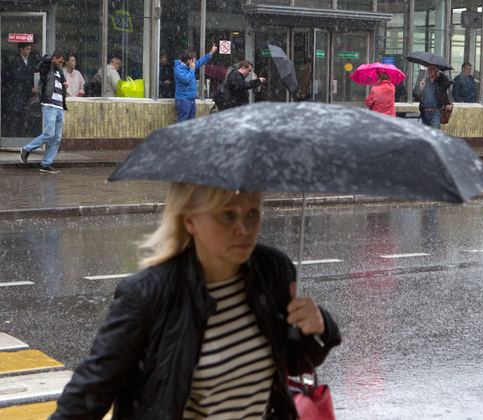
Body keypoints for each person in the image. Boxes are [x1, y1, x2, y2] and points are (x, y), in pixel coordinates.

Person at [49, 183, 341, 420]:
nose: (244, 227)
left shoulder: (272, 271)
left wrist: (317, 326)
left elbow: (295, 361)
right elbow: (90, 392)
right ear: (189, 219)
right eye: (227, 215)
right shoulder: (149, 295)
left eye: (253, 213)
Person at [19, 50, 69, 174]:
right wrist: (48, 58)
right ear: (54, 59)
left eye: (63, 62)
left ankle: (46, 164)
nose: (61, 64)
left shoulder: (59, 70)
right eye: (60, 61)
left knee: (56, 138)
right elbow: (41, 63)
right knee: (49, 134)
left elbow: (60, 83)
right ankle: (26, 149)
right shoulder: (47, 68)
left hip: (59, 107)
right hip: (49, 105)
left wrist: (64, 85)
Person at [174, 44, 218, 122]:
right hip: (183, 99)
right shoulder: (178, 68)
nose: (194, 63)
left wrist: (211, 53)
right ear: (189, 60)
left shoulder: (190, 66)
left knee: (191, 122)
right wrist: (192, 70)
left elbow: (200, 62)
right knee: (183, 121)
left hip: (191, 99)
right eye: (193, 61)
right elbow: (185, 79)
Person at [7, 42, 39, 137]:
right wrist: (29, 82)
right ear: (21, 49)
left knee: (27, 118)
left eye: (30, 49)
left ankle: (26, 137)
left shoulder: (30, 60)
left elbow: (33, 72)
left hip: (28, 94)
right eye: (27, 49)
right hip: (18, 94)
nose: (29, 51)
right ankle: (15, 138)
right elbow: (17, 77)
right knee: (16, 119)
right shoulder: (15, 60)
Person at [417, 64, 453, 129]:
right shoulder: (425, 82)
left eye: (432, 70)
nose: (430, 72)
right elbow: (417, 96)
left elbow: (449, 82)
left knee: (435, 134)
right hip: (424, 112)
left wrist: (441, 75)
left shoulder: (440, 82)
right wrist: (421, 88)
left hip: (435, 112)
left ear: (437, 71)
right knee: (425, 135)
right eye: (428, 70)